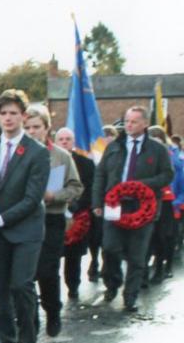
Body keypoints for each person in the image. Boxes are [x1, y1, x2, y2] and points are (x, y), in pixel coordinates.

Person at [0, 89, 49, 343]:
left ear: (23, 116)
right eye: (4, 113)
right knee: (0, 290)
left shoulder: (37, 152)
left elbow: (32, 199)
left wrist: (1, 219)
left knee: (21, 285)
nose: (8, 118)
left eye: (14, 113)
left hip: (26, 230)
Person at [91, 106, 175, 312]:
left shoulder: (157, 149)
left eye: (134, 121)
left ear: (145, 124)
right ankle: (112, 283)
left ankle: (131, 296)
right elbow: (100, 175)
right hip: (115, 204)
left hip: (143, 207)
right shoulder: (114, 147)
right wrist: (96, 203)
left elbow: (167, 175)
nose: (129, 125)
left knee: (138, 255)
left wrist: (143, 184)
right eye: (127, 121)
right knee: (110, 248)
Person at [23, 106, 82, 336]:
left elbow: (75, 186)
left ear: (47, 128)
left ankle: (53, 311)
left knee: (47, 270)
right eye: (27, 127)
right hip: (24, 219)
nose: (31, 132)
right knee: (26, 273)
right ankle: (30, 318)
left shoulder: (61, 156)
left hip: (51, 218)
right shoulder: (18, 154)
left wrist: (55, 196)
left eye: (36, 127)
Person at [55, 126, 97, 301]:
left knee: (73, 255)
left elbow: (89, 188)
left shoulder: (85, 163)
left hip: (77, 214)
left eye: (68, 139)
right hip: (55, 213)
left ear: (73, 142)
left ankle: (73, 286)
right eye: (61, 139)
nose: (64, 142)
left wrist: (76, 205)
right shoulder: (50, 159)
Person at [147, 125, 179, 283]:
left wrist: (179, 202)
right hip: (147, 199)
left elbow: (177, 178)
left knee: (165, 236)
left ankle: (164, 267)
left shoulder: (173, 156)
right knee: (149, 236)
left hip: (167, 201)